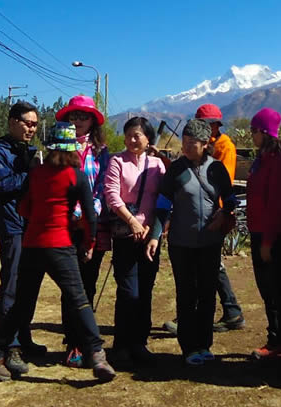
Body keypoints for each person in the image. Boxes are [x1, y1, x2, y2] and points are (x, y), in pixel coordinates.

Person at [0, 122, 117, 383]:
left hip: (32, 244)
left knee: (21, 304)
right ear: (73, 149)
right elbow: (90, 215)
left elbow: (23, 208)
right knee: (79, 300)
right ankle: (97, 355)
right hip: (60, 245)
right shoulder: (76, 176)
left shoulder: (37, 173)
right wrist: (88, 243)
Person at [152, 119, 239, 366]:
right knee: (187, 295)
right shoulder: (176, 170)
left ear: (204, 144)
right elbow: (162, 205)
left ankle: (204, 344)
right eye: (185, 141)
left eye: (193, 143)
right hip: (182, 244)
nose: (187, 146)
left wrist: (224, 213)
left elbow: (230, 199)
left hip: (210, 243)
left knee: (207, 295)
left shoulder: (217, 169)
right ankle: (189, 347)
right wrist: (155, 235)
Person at [0, 101, 44, 373]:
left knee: (28, 286)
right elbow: (3, 185)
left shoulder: (29, 150)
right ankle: (10, 347)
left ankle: (24, 336)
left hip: (31, 225)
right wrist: (30, 172)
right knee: (11, 286)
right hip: (12, 226)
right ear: (12, 122)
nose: (32, 128)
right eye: (27, 123)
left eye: (35, 124)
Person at [104, 117, 168, 368]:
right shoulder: (117, 162)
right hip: (126, 234)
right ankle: (121, 345)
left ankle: (140, 343)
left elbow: (163, 198)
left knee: (146, 290)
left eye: (137, 135)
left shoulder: (157, 165)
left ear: (148, 138)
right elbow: (111, 194)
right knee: (128, 291)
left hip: (150, 237)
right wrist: (132, 222)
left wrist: (153, 229)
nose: (132, 140)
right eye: (129, 135)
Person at [55, 95, 111, 368]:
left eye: (83, 116)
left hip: (93, 225)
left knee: (87, 283)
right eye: (73, 116)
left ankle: (88, 342)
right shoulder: (58, 150)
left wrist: (89, 214)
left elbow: (102, 185)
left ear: (92, 121)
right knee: (69, 286)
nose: (78, 121)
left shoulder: (102, 152)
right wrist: (71, 212)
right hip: (64, 225)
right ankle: (72, 342)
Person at [245, 108, 281, 360]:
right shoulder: (262, 158)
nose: (251, 135)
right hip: (258, 231)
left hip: (270, 235)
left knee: (274, 288)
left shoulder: (278, 161)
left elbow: (276, 205)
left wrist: (267, 241)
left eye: (254, 131)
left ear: (265, 132)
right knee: (267, 289)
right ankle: (277, 337)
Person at [195, 103, 246, 332]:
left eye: (210, 124)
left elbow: (220, 180)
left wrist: (221, 213)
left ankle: (228, 310)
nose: (207, 127)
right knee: (210, 263)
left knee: (211, 262)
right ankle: (230, 310)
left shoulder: (224, 146)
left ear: (216, 125)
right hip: (208, 210)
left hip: (216, 211)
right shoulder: (210, 144)